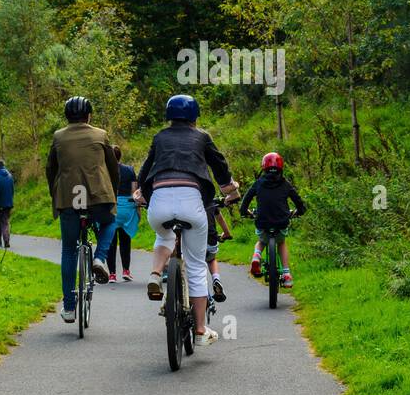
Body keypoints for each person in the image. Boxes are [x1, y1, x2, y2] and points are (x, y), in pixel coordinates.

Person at [133, 94, 237, 346]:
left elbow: (146, 168)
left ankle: (156, 274)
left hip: (158, 202)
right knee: (196, 266)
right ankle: (201, 330)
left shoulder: (159, 137)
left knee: (164, 234)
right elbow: (219, 164)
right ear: (194, 116)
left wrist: (139, 193)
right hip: (192, 201)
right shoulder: (202, 137)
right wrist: (228, 187)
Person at [45, 96, 119, 323]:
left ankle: (68, 308)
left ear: (67, 117)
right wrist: (112, 194)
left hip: (69, 199)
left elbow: (50, 169)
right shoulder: (100, 135)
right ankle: (100, 258)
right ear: (89, 116)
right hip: (98, 198)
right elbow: (113, 168)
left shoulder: (58, 137)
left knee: (69, 250)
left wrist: (55, 194)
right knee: (110, 221)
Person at [239, 152, 306, 288]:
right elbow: (299, 203)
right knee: (281, 242)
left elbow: (245, 202)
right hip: (281, 222)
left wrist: (245, 212)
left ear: (263, 167)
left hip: (262, 222)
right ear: (281, 167)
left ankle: (256, 257)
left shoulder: (258, 183)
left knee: (261, 240)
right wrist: (299, 212)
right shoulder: (285, 184)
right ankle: (286, 274)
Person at [107, 145, 139, 282]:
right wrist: (137, 209)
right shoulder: (129, 170)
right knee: (125, 240)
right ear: (120, 156)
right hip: (127, 208)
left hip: (111, 207)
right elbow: (134, 192)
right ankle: (126, 270)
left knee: (111, 242)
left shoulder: (104, 171)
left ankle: (112, 274)